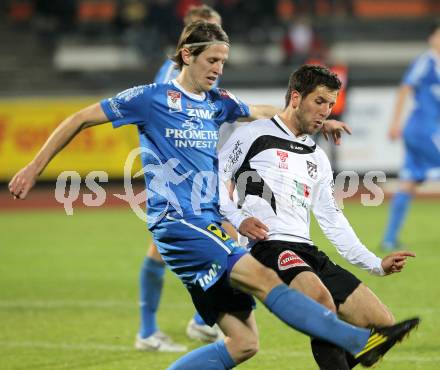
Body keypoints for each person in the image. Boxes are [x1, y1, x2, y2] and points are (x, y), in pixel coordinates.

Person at [9, 22, 419, 370]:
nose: (219, 69)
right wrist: (34, 166)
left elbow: (261, 111)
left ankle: (350, 338)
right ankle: (352, 339)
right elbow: (81, 118)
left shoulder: (216, 104)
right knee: (262, 277)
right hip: (178, 220)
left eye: (223, 62)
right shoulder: (151, 99)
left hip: (210, 225)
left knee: (243, 344)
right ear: (186, 55)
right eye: (212, 60)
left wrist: (321, 121)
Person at [218, 64, 418, 369]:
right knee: (320, 302)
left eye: (330, 104)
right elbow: (214, 179)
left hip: (307, 250)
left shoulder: (317, 157)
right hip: (269, 246)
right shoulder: (253, 134)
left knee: (380, 324)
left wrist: (376, 264)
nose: (326, 111)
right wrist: (237, 218)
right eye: (319, 102)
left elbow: (333, 220)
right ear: (296, 98)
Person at [137, 4, 224, 352]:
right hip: (177, 177)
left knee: (164, 248)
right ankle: (200, 321)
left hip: (189, 174)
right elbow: (163, 122)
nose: (217, 37)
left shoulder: (204, 69)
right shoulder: (171, 76)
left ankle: (159, 329)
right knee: (228, 236)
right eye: (209, 30)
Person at [381, 22, 440, 250]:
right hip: (423, 131)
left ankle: (389, 238)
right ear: (430, 39)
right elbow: (405, 88)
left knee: (408, 182)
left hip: (423, 131)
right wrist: (395, 122)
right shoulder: (427, 61)